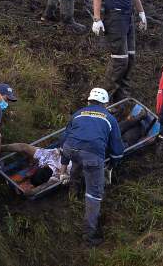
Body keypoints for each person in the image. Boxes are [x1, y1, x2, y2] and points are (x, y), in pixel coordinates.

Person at [58, 87, 123, 246]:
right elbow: (117, 150)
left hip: (70, 149)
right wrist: (110, 167)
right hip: (92, 155)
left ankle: (73, 192)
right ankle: (89, 236)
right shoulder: (109, 118)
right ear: (105, 104)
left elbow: (65, 140)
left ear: (88, 101)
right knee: (94, 194)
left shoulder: (78, 113)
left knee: (77, 159)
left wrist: (63, 170)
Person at [91, 0, 147, 102]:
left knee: (130, 59)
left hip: (128, 16)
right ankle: (101, 99)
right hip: (114, 17)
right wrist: (97, 18)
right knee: (119, 61)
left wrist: (141, 12)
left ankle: (122, 100)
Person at [0, 143, 73, 196]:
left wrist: (30, 192)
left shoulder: (45, 157)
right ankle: (0, 148)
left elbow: (43, 187)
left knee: (25, 148)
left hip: (64, 150)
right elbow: (44, 186)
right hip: (68, 150)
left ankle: (0, 148)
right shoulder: (57, 172)